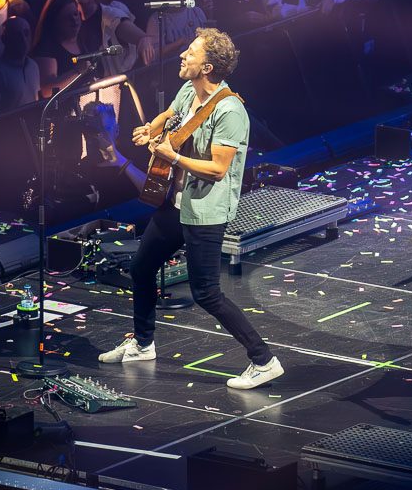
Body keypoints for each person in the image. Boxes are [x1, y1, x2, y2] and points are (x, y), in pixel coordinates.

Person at [98, 27, 284, 390]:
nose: (183, 55)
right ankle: (142, 344)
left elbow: (218, 169)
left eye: (191, 53)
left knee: (207, 293)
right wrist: (151, 127)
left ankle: (264, 360)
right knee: (141, 268)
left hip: (205, 212)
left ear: (208, 67)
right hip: (175, 205)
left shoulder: (230, 111)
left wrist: (172, 156)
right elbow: (171, 113)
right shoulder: (188, 90)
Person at [68, 0, 154, 74]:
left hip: (116, 79)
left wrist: (144, 41)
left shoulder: (110, 15)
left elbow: (141, 37)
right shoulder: (72, 19)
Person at [31, 0, 86, 97]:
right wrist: (78, 71)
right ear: (55, 21)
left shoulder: (83, 41)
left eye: (75, 14)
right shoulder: (46, 50)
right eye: (67, 17)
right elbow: (47, 91)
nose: (74, 20)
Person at [0, 16, 40, 113]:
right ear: (5, 39)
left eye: (26, 33)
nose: (23, 39)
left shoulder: (33, 66)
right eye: (17, 35)